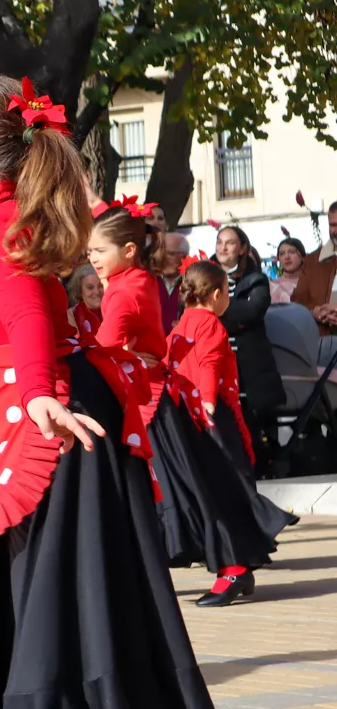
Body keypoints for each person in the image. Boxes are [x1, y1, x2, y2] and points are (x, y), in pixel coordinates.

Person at [0, 75, 219, 709]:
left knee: (72, 602)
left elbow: (24, 314)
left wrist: (42, 390)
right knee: (17, 594)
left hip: (45, 430)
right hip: (33, 422)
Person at [89, 202, 281, 589]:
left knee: (189, 489)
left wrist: (103, 351)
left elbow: (106, 344)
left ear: (128, 250)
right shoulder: (140, 281)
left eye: (98, 251)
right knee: (185, 488)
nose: (91, 258)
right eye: (90, 250)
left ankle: (233, 567)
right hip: (154, 401)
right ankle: (222, 566)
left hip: (151, 406)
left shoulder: (126, 292)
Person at [168, 260, 298, 605]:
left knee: (221, 491)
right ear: (216, 294)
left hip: (196, 418)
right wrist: (209, 401)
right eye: (228, 291)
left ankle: (236, 569)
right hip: (214, 418)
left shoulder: (181, 325)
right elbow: (208, 363)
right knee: (228, 489)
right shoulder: (210, 323)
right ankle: (237, 567)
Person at [216, 225, 283, 470]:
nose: (223, 247)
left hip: (249, 363)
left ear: (242, 248)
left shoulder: (256, 279)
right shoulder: (203, 276)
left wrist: (215, 313)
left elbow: (253, 310)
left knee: (253, 418)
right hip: (216, 361)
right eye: (220, 241)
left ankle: (262, 463)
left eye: (230, 243)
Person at [291, 201, 337, 345]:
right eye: (333, 225)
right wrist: (314, 312)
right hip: (321, 343)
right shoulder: (312, 261)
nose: (335, 230)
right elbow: (297, 303)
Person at [157, 230, 190, 332]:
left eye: (169, 254)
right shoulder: (147, 281)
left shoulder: (192, 283)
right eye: (160, 253)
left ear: (184, 256)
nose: (162, 258)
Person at [67, 264, 104, 334]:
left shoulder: (114, 310)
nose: (97, 292)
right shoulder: (72, 316)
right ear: (80, 290)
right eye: (90, 287)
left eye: (100, 286)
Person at [270, 237, 305, 304]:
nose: (287, 257)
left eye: (292, 252)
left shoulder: (313, 284)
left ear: (303, 257)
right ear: (278, 259)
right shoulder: (271, 286)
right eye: (282, 254)